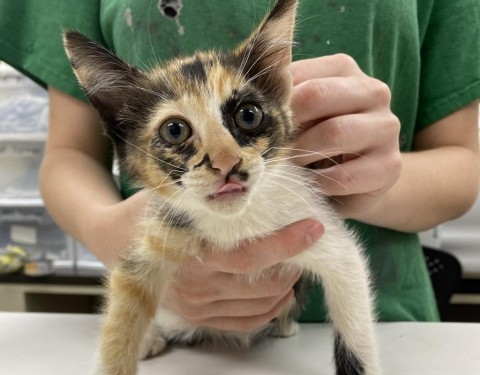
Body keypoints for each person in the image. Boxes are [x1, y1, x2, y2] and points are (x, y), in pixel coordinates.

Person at [0, 0, 478, 330]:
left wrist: (366, 184)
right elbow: (69, 156)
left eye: (247, 117)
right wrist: (123, 243)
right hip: (171, 335)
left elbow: (463, 167)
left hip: (381, 330)